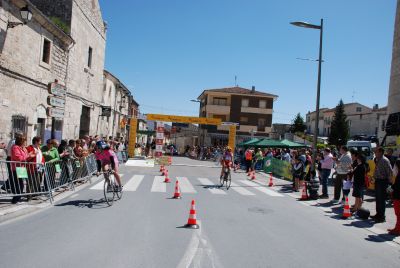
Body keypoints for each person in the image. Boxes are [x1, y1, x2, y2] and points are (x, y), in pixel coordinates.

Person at [371, 147, 393, 223]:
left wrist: (390, 184)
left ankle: (382, 217)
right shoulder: (378, 159)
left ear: (380, 152)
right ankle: (378, 214)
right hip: (378, 181)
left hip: (383, 182)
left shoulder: (385, 160)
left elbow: (390, 172)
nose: (375, 153)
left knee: (381, 199)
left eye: (376, 152)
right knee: (378, 198)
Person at [10, 136, 34, 203]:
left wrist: (30, 155)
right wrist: (28, 155)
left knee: (21, 184)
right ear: (20, 141)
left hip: (22, 168)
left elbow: (25, 157)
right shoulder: (15, 147)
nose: (25, 142)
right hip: (17, 168)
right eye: (24, 141)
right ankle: (15, 200)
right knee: (19, 185)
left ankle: (17, 199)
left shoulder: (23, 148)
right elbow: (18, 158)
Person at [388, 159, 400, 235]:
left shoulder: (399, 175)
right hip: (397, 196)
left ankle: (398, 229)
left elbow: (397, 186)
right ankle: (397, 228)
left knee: (398, 213)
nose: (394, 168)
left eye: (395, 166)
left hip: (398, 197)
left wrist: (390, 188)